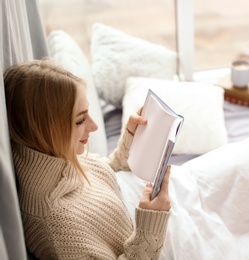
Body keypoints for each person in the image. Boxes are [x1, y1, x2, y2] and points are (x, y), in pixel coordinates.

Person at [4, 59, 172, 259]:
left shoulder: (55, 159)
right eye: (80, 120)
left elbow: (99, 176)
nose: (94, 126)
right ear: (44, 129)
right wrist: (151, 225)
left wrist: (131, 139)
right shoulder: (56, 227)